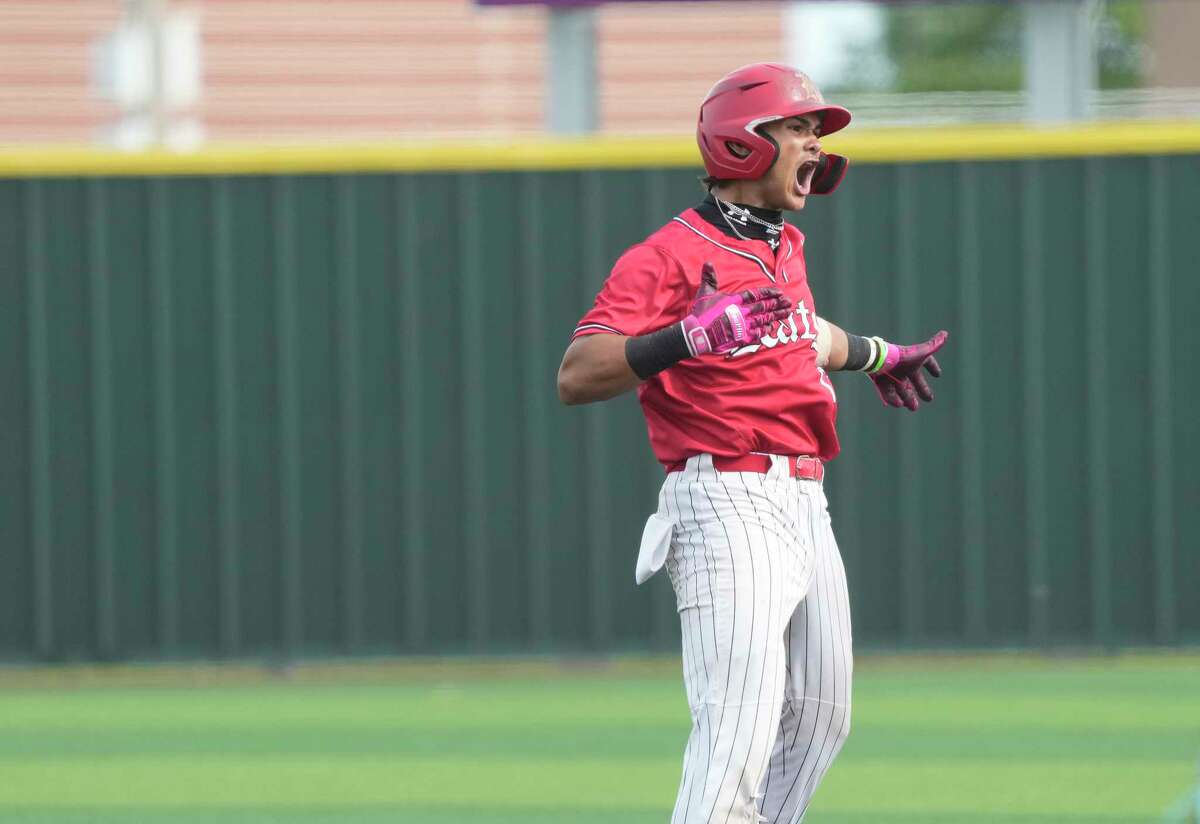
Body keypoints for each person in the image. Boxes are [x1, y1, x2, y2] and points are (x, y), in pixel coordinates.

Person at [557, 63, 948, 824]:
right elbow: (578, 373)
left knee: (820, 718)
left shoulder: (783, 245)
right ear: (744, 142)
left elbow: (805, 336)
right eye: (798, 127)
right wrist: (686, 334)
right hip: (726, 498)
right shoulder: (665, 255)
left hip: (805, 500)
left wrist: (877, 354)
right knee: (737, 731)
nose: (814, 143)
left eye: (815, 131)